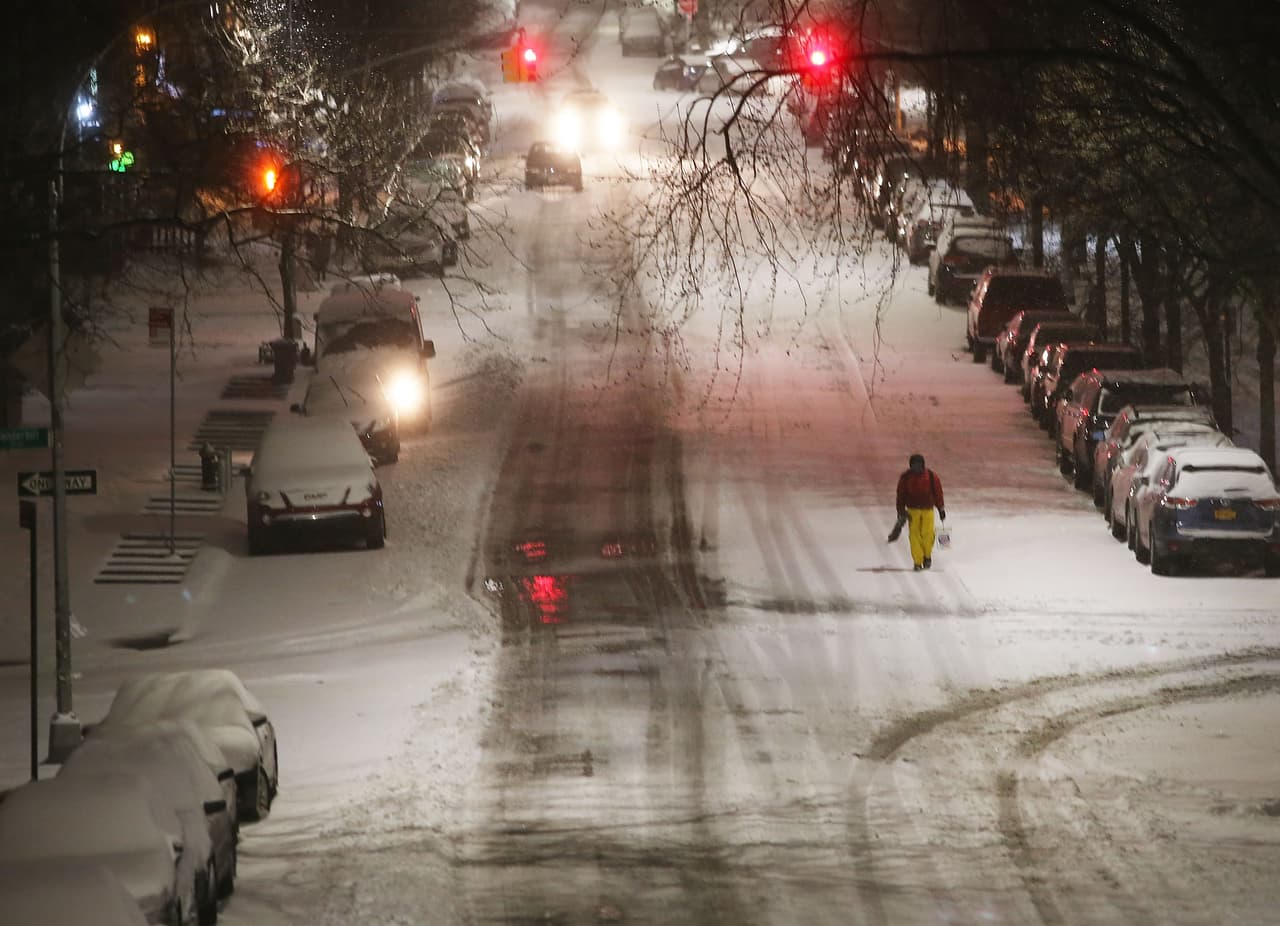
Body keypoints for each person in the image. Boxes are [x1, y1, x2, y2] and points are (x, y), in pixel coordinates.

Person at [895, 453, 945, 571]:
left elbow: (938, 493)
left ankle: (927, 556)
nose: (916, 468)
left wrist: (941, 508)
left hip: (928, 510)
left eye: (918, 465)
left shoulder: (932, 476)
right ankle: (918, 561)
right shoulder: (905, 477)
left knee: (928, 534)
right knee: (914, 536)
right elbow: (900, 495)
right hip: (912, 511)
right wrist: (900, 510)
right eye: (914, 465)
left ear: (923, 465)